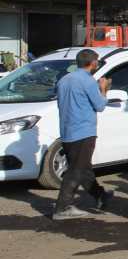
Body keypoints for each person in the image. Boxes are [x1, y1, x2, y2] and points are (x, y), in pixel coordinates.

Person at [51, 49, 113, 220]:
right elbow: (100, 105)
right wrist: (103, 89)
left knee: (83, 168)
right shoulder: (88, 81)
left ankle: (100, 195)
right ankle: (62, 207)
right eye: (97, 61)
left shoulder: (64, 80)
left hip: (67, 131)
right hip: (83, 132)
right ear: (93, 63)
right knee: (76, 170)